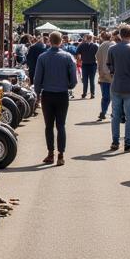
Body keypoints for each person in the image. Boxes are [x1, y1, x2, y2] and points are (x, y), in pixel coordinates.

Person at [33, 31, 77, 165]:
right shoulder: (68, 57)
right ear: (61, 41)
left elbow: (37, 78)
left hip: (47, 94)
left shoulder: (42, 57)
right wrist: (68, 85)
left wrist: (38, 93)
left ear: (49, 41)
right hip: (62, 94)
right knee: (61, 125)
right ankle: (61, 155)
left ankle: (50, 153)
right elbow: (73, 79)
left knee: (48, 126)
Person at [108, 24, 130, 152]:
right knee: (129, 117)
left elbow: (110, 67)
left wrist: (114, 75)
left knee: (115, 116)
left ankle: (115, 142)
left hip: (116, 85)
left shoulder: (112, 49)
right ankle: (127, 144)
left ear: (120, 35)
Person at [96, 31, 113, 121]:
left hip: (103, 75)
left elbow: (98, 59)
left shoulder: (101, 46)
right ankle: (114, 113)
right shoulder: (114, 44)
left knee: (105, 96)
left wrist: (100, 73)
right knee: (115, 96)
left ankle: (103, 111)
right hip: (113, 75)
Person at [76, 34, 99, 99]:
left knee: (85, 80)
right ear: (92, 39)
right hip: (93, 64)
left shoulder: (82, 45)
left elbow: (77, 53)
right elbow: (98, 55)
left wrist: (79, 60)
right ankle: (92, 94)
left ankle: (84, 93)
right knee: (92, 80)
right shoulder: (95, 46)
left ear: (86, 38)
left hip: (85, 64)